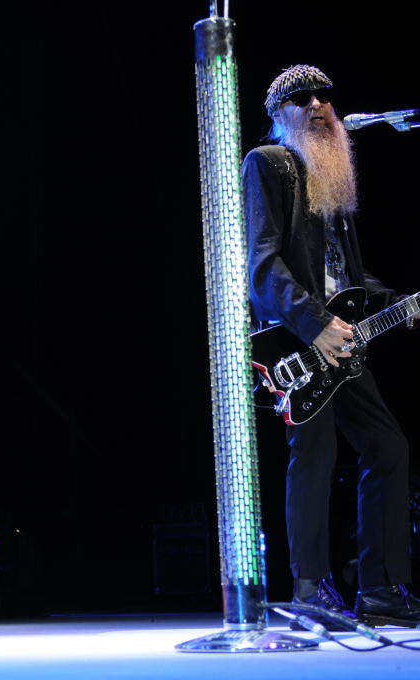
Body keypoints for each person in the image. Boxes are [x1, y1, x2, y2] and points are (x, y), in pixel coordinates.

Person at [244, 64, 420, 628]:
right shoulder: (269, 162)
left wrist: (399, 302)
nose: (318, 103)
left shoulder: (331, 174)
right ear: (280, 114)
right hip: (297, 339)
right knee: (313, 453)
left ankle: (381, 589)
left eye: (325, 95)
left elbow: (347, 276)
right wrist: (313, 322)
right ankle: (309, 589)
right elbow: (262, 264)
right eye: (302, 97)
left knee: (387, 447)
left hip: (340, 343)